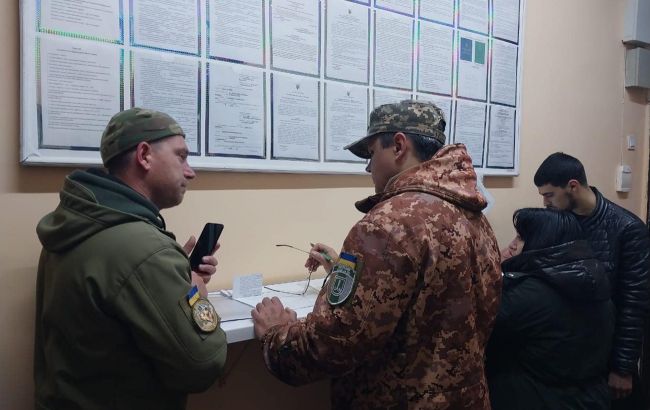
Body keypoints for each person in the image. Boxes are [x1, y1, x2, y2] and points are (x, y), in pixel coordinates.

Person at [251, 100, 502, 409]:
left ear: (398, 146)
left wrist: (275, 335)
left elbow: (334, 344)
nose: (368, 168)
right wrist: (343, 270)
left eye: (371, 154)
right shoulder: (474, 216)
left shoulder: (387, 224)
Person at [34, 108, 227, 410]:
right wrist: (195, 295)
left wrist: (174, 276)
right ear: (144, 155)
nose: (190, 172)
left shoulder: (78, 224)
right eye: (181, 157)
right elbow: (203, 364)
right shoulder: (144, 249)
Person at [534, 152, 650, 408]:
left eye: (549, 195)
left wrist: (622, 368)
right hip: (567, 357)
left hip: (607, 357)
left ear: (573, 186)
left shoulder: (628, 229)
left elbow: (634, 304)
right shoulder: (556, 222)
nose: (545, 203)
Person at [487, 208, 615, 409]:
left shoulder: (528, 295)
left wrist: (499, 270)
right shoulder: (595, 282)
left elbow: (482, 334)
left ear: (541, 242)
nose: (512, 244)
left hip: (533, 397)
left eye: (521, 237)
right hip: (590, 397)